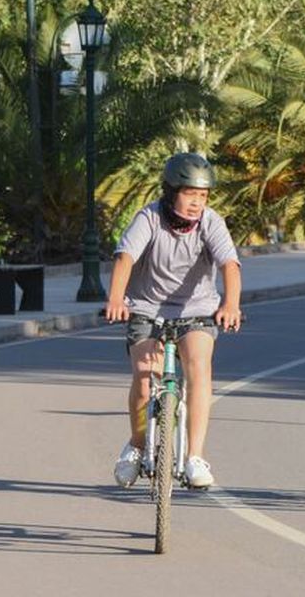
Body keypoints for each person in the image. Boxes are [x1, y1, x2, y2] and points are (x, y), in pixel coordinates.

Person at [104, 152, 242, 490]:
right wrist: (116, 299)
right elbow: (125, 258)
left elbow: (229, 265)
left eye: (203, 195)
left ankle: (194, 455)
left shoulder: (211, 222)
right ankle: (136, 446)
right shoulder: (148, 219)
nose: (197, 203)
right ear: (170, 192)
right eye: (189, 194)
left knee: (198, 366)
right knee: (144, 376)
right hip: (147, 308)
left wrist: (231, 304)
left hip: (196, 310)